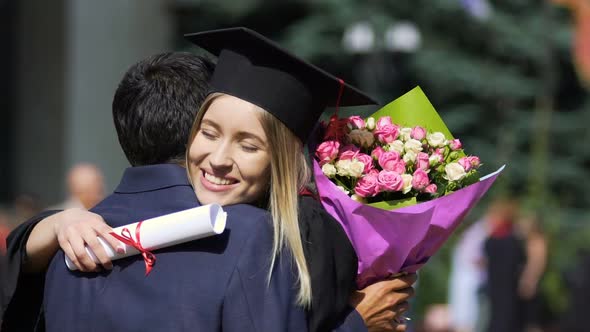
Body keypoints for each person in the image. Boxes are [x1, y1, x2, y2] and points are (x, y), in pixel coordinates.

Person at [4, 31, 414, 331]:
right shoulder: (253, 238)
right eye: (211, 133)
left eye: (249, 144)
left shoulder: (65, 247)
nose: (219, 160)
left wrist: (49, 225)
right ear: (191, 132)